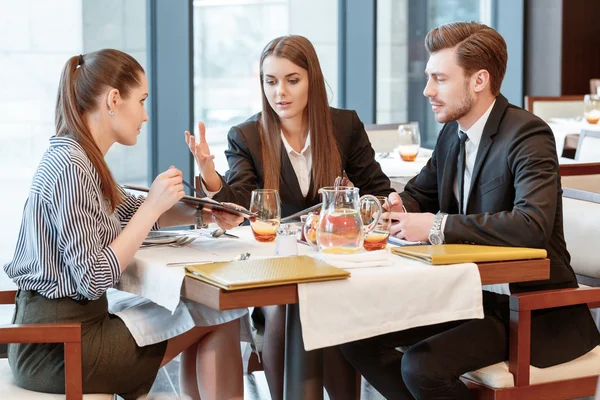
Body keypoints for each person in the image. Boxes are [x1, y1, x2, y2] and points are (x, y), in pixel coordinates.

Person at [340, 21, 600, 399]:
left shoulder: (528, 135)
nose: (428, 90)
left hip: (525, 309)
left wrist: (435, 227)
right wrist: (393, 208)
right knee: (355, 339)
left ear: (479, 80)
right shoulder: (453, 134)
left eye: (440, 79)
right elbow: (418, 195)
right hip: (468, 298)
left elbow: (531, 225)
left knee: (421, 366)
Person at [4, 49, 246, 400]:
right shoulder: (72, 166)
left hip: (64, 333)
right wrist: (151, 208)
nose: (146, 116)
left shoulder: (80, 156)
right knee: (218, 311)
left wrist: (207, 213)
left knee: (216, 310)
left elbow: (130, 211)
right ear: (114, 99)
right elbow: (93, 278)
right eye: (142, 101)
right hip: (61, 348)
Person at [186, 35, 394, 399]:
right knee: (287, 307)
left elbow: (377, 191)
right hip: (276, 265)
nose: (279, 92)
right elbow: (239, 203)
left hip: (332, 261)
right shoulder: (247, 135)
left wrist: (347, 208)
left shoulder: (344, 126)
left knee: (329, 307)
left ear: (311, 78)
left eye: (291, 80)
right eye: (270, 81)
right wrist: (209, 174)